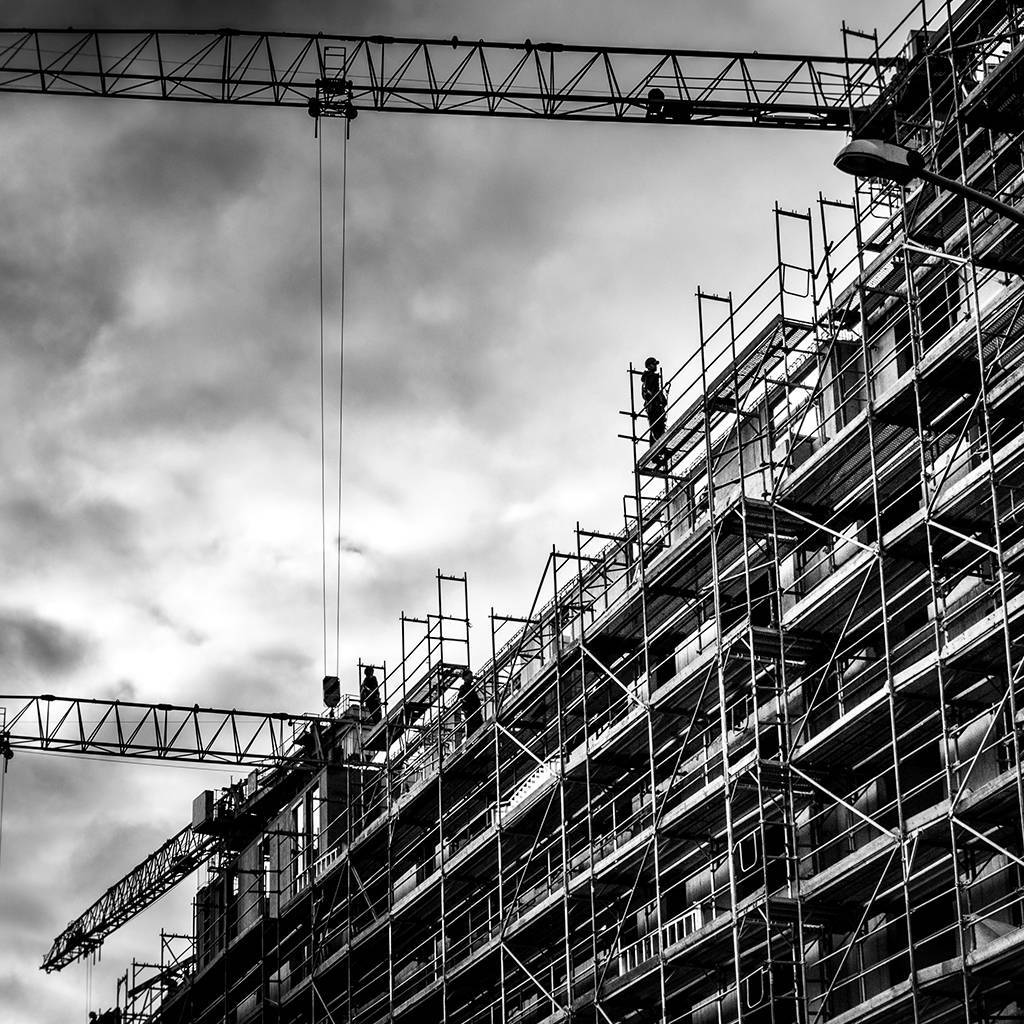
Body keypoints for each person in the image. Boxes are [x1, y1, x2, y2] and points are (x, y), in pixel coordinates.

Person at [641, 356, 668, 444]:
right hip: (654, 407)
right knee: (657, 427)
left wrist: (662, 399)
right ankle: (660, 447)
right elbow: (651, 392)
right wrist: (660, 399)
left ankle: (657, 448)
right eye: (653, 364)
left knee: (657, 427)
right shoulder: (650, 377)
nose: (655, 366)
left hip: (655, 406)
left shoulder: (649, 377)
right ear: (649, 366)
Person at [458, 668, 483, 736]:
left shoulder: (471, 687)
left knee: (479, 727)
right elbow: (460, 698)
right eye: (470, 676)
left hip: (475, 711)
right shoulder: (463, 687)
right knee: (472, 729)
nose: (471, 677)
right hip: (470, 711)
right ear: (465, 677)